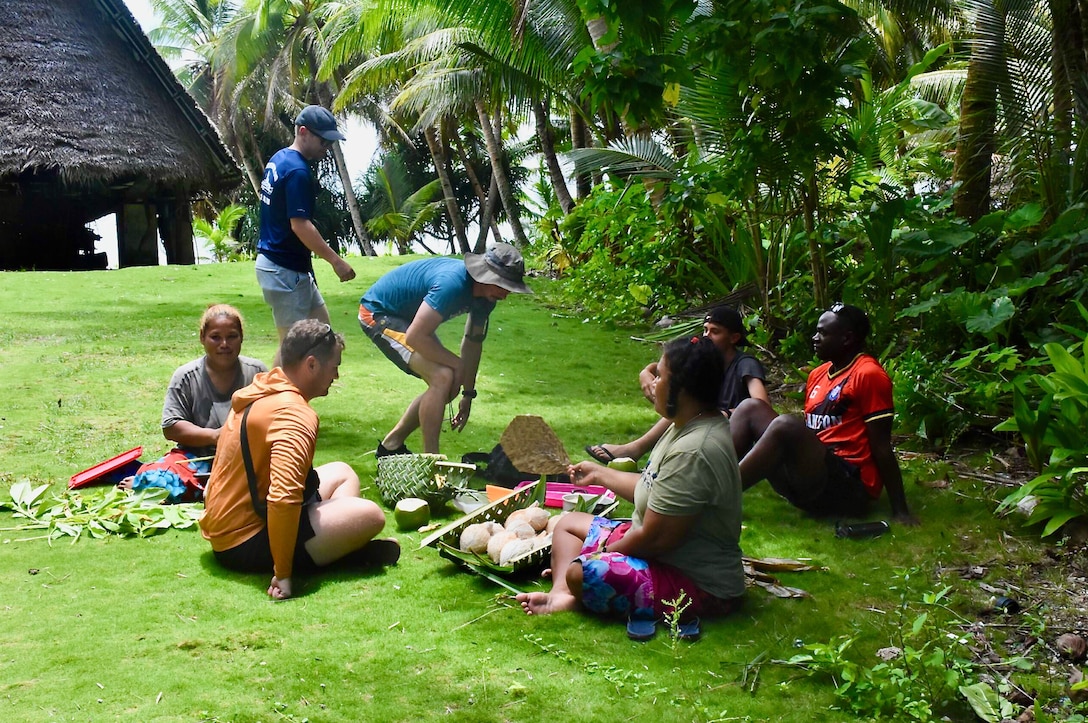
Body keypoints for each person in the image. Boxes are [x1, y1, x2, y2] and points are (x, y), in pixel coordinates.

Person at [516, 336, 745, 630]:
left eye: (660, 376)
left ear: (683, 389)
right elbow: (653, 488)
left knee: (581, 572)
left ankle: (573, 589)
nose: (652, 384)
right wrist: (599, 474)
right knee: (568, 524)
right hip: (660, 551)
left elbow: (655, 538)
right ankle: (561, 596)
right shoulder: (686, 424)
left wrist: (604, 553)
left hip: (695, 581)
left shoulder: (694, 450)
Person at [200, 319, 398, 600]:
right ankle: (332, 554)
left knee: (343, 472)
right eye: (335, 366)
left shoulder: (267, 388)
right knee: (370, 515)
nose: (337, 375)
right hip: (243, 541)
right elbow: (282, 498)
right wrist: (283, 573)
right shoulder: (294, 414)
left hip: (229, 525)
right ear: (312, 364)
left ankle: (334, 545)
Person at [729, 303, 918, 524]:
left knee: (786, 425)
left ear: (847, 339)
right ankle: (702, 480)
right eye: (817, 331)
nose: (815, 338)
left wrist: (900, 509)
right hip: (813, 474)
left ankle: (715, 497)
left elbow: (882, 446)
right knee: (750, 407)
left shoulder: (868, 374)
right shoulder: (818, 374)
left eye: (823, 333)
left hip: (849, 487)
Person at [358, 242, 532, 457]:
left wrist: (468, 394)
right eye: (503, 286)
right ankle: (432, 461)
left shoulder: (487, 297)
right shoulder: (452, 284)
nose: (506, 295)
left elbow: (473, 342)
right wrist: (457, 364)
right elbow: (415, 336)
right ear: (486, 276)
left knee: (448, 386)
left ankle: (391, 445)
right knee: (442, 376)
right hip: (377, 313)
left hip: (412, 321)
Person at [585, 306, 770, 464]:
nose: (707, 336)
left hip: (729, 431)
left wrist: (727, 413)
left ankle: (636, 449)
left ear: (734, 338)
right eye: (705, 330)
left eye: (715, 331)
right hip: (705, 424)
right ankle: (646, 457)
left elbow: (759, 405)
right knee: (682, 402)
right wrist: (646, 373)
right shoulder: (710, 360)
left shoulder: (745, 363)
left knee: (684, 406)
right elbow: (673, 365)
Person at [126, 305, 267, 502]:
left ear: (241, 337)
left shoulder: (258, 373)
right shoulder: (185, 376)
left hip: (245, 457)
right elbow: (171, 426)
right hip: (194, 457)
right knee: (160, 482)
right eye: (215, 337)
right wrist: (215, 436)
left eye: (232, 336)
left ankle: (211, 488)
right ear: (202, 337)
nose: (224, 344)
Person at [256, 105, 356, 353]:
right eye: (323, 141)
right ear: (303, 132)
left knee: (323, 338)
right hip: (284, 271)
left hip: (291, 270)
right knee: (292, 350)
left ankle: (312, 387)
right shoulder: (298, 171)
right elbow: (300, 225)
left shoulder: (280, 158)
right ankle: (271, 393)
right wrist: (336, 261)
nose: (327, 147)